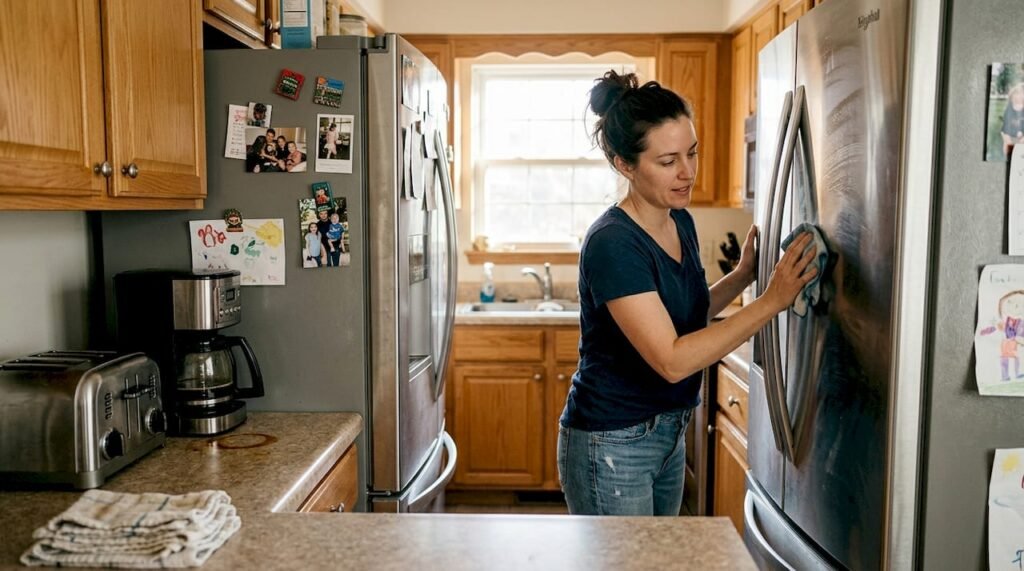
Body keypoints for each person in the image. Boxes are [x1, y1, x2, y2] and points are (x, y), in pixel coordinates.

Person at [556, 70, 818, 516]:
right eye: (668, 161)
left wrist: (741, 277)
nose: (687, 173)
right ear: (625, 165)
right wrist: (771, 300)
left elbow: (685, 313)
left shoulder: (679, 220)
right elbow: (673, 359)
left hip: (668, 433)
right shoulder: (614, 243)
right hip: (614, 442)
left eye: (692, 153)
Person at [1002, 83, 1024, 158]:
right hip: (1009, 134)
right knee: (1007, 146)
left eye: (1021, 94)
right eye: (1016, 94)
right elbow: (1006, 128)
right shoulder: (1009, 109)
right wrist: (1008, 140)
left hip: (1022, 136)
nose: (1019, 97)